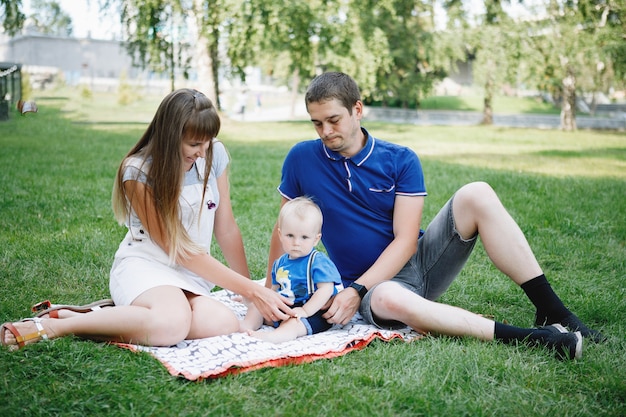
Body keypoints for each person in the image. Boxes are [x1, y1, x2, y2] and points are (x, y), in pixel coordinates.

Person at [266, 72, 605, 360]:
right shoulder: (301, 158)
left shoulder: (400, 159)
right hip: (377, 289)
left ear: (357, 110)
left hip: (419, 265)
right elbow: (283, 229)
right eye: (317, 123)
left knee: (477, 192)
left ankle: (553, 310)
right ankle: (534, 338)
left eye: (333, 120)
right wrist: (270, 291)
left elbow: (405, 242)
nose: (325, 131)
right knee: (385, 296)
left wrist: (355, 290)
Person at [1, 88, 294, 350]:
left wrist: (248, 295)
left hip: (190, 275)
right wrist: (254, 289)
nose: (202, 152)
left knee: (223, 323)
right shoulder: (137, 171)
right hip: (146, 266)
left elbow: (226, 227)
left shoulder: (212, 155)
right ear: (169, 136)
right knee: (171, 325)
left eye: (207, 142)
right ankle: (59, 324)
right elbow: (179, 249)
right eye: (194, 143)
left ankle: (110, 318)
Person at [240, 197, 342, 343]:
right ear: (280, 235)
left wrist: (305, 310)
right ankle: (247, 326)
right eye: (290, 236)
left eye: (304, 237)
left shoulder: (317, 261)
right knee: (258, 306)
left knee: (293, 323)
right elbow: (273, 290)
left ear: (316, 239)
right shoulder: (280, 262)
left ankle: (274, 337)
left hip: (314, 310)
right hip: (287, 306)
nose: (296, 243)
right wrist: (266, 303)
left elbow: (325, 290)